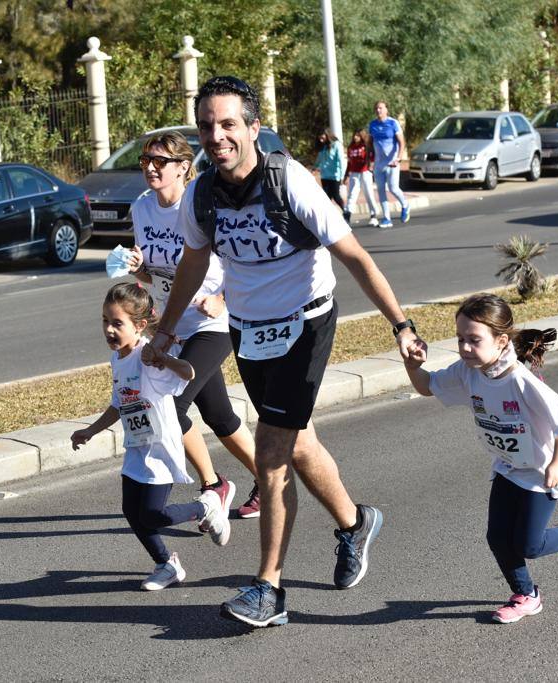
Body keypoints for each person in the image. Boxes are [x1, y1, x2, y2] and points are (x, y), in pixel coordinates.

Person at [146, 75, 427, 628]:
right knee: (297, 445)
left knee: (271, 452)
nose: (216, 135)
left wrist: (401, 325)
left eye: (228, 124)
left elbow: (354, 257)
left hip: (306, 321)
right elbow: (194, 263)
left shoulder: (289, 182)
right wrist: (165, 330)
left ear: (253, 128)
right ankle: (354, 522)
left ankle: (268, 589)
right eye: (207, 126)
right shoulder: (201, 195)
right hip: (249, 329)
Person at [402, 293, 558, 624]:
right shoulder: (469, 372)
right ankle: (526, 595)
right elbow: (428, 386)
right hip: (507, 469)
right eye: (460, 339)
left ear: (500, 341)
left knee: (530, 545)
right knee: (497, 537)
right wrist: (413, 365)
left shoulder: (520, 381)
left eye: (474, 340)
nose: (465, 347)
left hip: (539, 475)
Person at [125, 130, 262, 519]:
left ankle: (213, 485)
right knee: (219, 415)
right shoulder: (141, 208)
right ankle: (270, 482)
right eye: (146, 160)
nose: (151, 167)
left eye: (160, 161)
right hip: (171, 325)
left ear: (184, 167)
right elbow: (157, 274)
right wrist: (141, 269)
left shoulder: (201, 204)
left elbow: (244, 256)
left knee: (171, 404)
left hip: (212, 323)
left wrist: (224, 299)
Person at [70, 283, 232, 592]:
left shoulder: (149, 354)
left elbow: (189, 373)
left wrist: (165, 358)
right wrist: (90, 430)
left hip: (160, 448)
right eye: (105, 320)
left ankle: (206, 506)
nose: (108, 329)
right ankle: (166, 565)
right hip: (136, 446)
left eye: (117, 323)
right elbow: (120, 402)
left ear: (140, 326)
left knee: (153, 514)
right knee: (132, 511)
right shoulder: (119, 359)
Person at [368, 101, 410, 228]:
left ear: (386, 109)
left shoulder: (393, 123)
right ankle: (386, 218)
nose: (378, 110)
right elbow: (369, 144)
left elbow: (402, 142)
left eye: (381, 108)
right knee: (380, 190)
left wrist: (398, 158)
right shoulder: (372, 125)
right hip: (379, 164)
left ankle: (405, 205)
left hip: (392, 162)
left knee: (393, 188)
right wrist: (370, 161)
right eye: (376, 108)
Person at [344, 129, 379, 226]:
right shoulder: (351, 147)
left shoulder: (366, 146)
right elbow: (349, 162)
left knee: (368, 194)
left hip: (365, 173)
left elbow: (373, 158)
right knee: (352, 194)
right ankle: (347, 215)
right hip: (354, 174)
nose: (355, 137)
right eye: (354, 135)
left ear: (362, 136)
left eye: (358, 136)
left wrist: (371, 166)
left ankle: (373, 215)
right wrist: (346, 175)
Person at [313, 129, 345, 218]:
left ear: (327, 135)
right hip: (325, 176)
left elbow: (341, 161)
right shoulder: (323, 147)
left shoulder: (336, 145)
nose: (320, 138)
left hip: (335, 176)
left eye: (322, 135)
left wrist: (342, 176)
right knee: (326, 198)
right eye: (319, 136)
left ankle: (345, 212)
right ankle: (327, 217)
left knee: (336, 196)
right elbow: (319, 160)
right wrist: (314, 168)